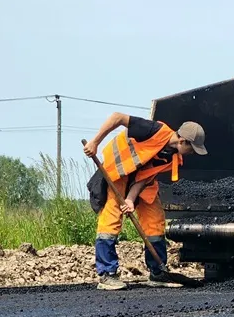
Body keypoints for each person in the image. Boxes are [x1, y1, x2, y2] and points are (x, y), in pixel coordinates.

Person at [83, 112, 208, 291]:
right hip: (118, 172)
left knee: (155, 221)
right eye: (192, 148)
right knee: (111, 220)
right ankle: (107, 274)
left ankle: (157, 272)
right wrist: (95, 142)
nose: (192, 153)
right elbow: (117, 117)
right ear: (182, 141)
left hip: (141, 182)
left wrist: (130, 199)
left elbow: (145, 177)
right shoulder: (153, 130)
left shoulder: (172, 157)